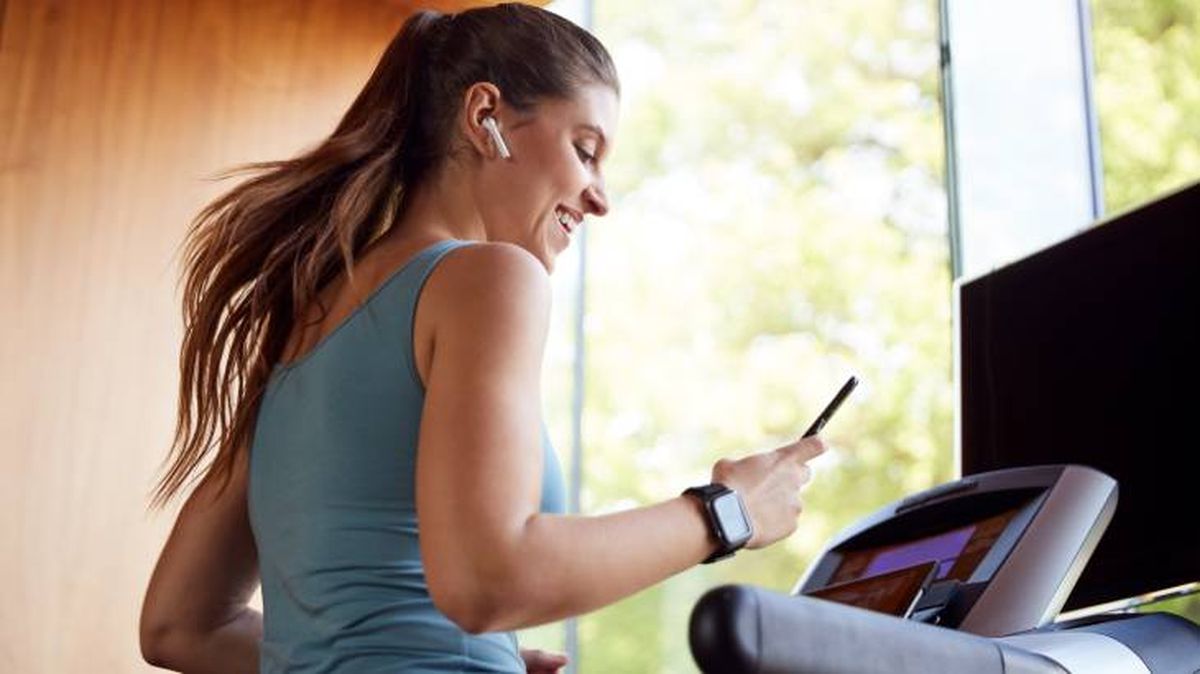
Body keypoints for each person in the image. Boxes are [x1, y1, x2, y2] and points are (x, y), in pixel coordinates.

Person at [139, 4, 826, 672]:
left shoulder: (305, 317)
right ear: (484, 117)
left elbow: (181, 627)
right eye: (585, 150)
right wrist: (726, 514)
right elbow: (484, 581)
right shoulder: (492, 277)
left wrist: (447, 655)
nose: (600, 196)